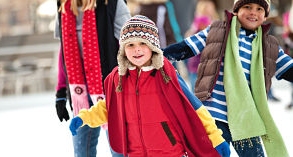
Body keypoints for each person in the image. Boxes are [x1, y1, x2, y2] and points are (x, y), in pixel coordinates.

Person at [69, 15, 230, 157]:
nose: (136, 48)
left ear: (153, 47)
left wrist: (215, 137)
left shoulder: (166, 75)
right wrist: (85, 117)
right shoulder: (119, 78)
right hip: (135, 152)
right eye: (130, 45)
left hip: (170, 151)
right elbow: (109, 107)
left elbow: (195, 108)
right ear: (123, 50)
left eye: (142, 43)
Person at [163, 0, 293, 156]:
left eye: (259, 9)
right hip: (213, 114)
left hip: (246, 117)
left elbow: (288, 69)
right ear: (236, 10)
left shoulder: (270, 46)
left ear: (265, 16)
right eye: (248, 7)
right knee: (211, 153)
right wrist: (158, 55)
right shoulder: (217, 31)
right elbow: (186, 47)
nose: (253, 12)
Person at [54, 0, 130, 157]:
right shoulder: (64, 6)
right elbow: (64, 51)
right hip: (79, 93)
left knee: (120, 151)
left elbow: (129, 45)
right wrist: (61, 91)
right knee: (82, 153)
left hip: (111, 90)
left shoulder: (113, 4)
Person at [185, 0, 219, 91]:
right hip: (197, 61)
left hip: (208, 62)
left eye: (211, 8)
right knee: (195, 88)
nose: (209, 10)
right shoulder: (200, 21)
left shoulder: (215, 21)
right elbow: (189, 35)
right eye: (207, 8)